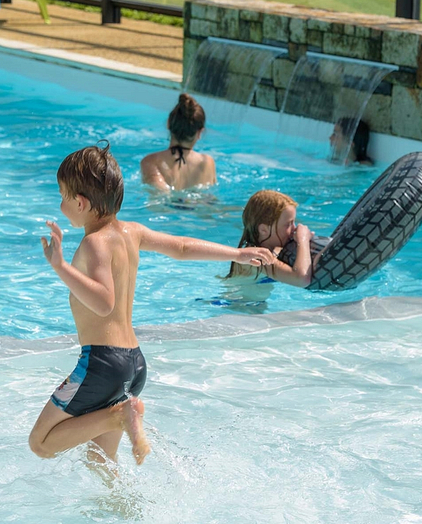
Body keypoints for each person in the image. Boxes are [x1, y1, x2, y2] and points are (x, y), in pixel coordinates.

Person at [29, 142, 274, 466]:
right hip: (133, 363)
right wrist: (237, 253)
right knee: (99, 461)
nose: (61, 205)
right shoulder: (132, 232)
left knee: (42, 443)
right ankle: (122, 510)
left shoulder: (94, 243)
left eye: (63, 196)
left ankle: (119, 417)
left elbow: (104, 302)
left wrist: (61, 267)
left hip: (102, 363)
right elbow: (183, 247)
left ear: (80, 202)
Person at [225, 190, 313, 288]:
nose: (294, 229)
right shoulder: (256, 257)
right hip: (235, 302)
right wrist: (303, 240)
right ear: (264, 230)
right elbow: (301, 280)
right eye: (288, 224)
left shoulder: (274, 251)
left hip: (251, 303)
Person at [140, 93, 216, 191]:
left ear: (168, 124)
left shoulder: (150, 162)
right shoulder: (208, 163)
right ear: (200, 132)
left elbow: (159, 196)